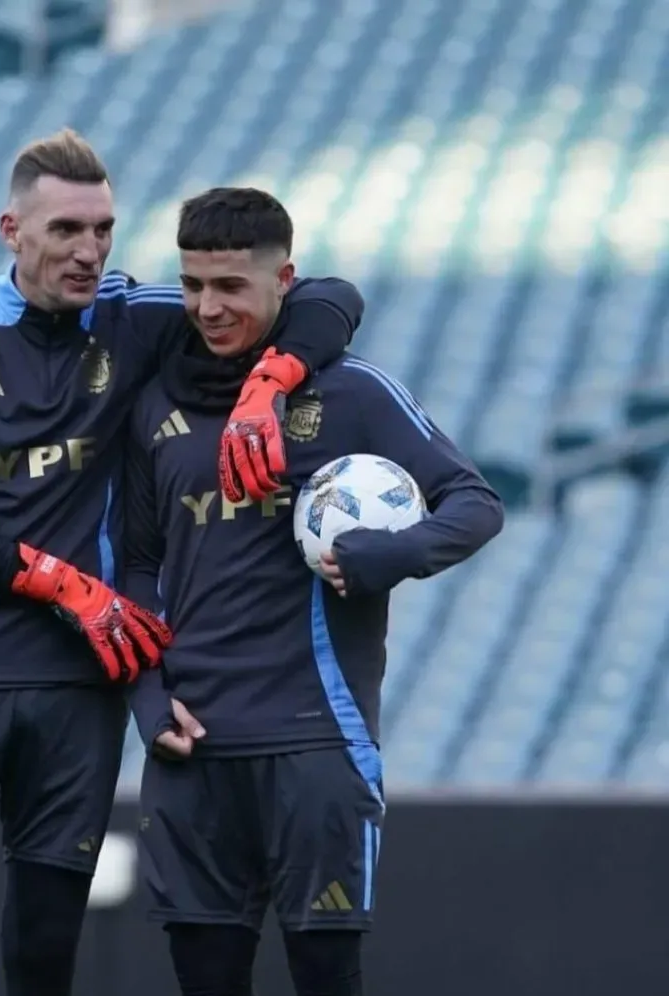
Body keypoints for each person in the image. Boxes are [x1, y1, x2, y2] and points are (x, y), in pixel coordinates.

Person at [0, 131, 365, 996]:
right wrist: (59, 582)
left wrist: (272, 380)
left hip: (77, 680)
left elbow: (328, 297)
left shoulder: (134, 317)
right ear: (12, 229)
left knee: (46, 952)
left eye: (104, 229)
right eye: (66, 231)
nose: (89, 250)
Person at [125, 186, 505, 996]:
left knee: (328, 978)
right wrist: (149, 698)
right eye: (193, 285)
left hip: (317, 746)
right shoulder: (156, 401)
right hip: (192, 752)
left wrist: (394, 553)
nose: (206, 306)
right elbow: (133, 567)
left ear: (284, 281)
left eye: (230, 287)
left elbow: (476, 504)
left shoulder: (354, 394)